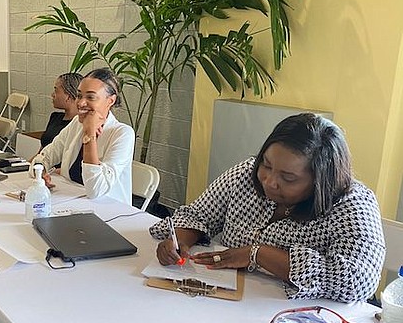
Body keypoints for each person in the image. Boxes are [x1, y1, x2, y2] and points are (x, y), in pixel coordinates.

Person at [151, 113, 385, 303]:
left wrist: (257, 254)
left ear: (321, 181)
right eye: (267, 164)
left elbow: (357, 281)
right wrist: (179, 240)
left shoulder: (352, 204)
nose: (269, 181)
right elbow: (199, 214)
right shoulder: (246, 173)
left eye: (288, 178)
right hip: (227, 302)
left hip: (297, 320)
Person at [31, 68, 135, 205]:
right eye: (79, 96)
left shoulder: (122, 134)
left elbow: (95, 190)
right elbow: (45, 157)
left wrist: (89, 135)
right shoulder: (76, 124)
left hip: (108, 213)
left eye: (90, 97)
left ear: (110, 101)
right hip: (71, 204)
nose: (80, 103)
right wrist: (40, 173)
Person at [40, 72, 83, 148]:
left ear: (68, 96)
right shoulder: (55, 117)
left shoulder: (79, 125)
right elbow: (42, 151)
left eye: (56, 91)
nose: (52, 95)